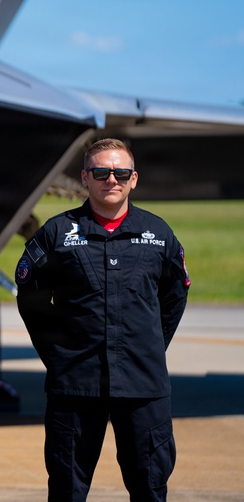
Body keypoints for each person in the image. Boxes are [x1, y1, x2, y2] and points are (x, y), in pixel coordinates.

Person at [15, 138, 190, 501]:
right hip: (75, 384)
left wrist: (149, 346)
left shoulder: (158, 235)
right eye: (101, 172)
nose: (111, 179)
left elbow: (173, 298)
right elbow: (31, 298)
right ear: (85, 178)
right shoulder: (58, 232)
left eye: (120, 172)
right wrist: (58, 353)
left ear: (134, 178)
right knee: (67, 488)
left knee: (150, 486)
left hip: (143, 386)